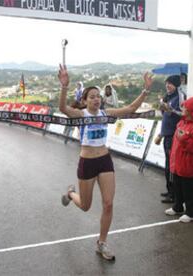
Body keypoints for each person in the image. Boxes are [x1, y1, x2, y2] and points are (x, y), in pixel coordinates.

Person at [58, 64, 153, 261]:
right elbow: (62, 108)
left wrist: (146, 89)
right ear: (84, 101)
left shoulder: (106, 114)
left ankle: (102, 243)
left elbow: (131, 108)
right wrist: (64, 86)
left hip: (104, 161)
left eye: (97, 96)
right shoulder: (81, 115)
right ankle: (70, 193)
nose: (96, 99)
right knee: (85, 206)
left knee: (108, 204)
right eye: (91, 96)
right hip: (87, 162)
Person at [164, 96, 193, 223]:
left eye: (185, 107)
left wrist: (185, 140)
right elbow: (176, 141)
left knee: (189, 189)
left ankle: (191, 212)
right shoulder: (181, 122)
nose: (182, 109)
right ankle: (178, 207)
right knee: (177, 186)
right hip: (178, 162)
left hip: (189, 164)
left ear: (191, 110)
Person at [154, 75, 186, 204]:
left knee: (171, 166)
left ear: (176, 85)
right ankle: (169, 190)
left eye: (170, 83)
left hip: (174, 135)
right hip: (167, 135)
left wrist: (170, 109)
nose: (167, 85)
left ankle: (174, 194)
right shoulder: (168, 97)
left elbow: (183, 115)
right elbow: (166, 116)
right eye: (166, 83)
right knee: (168, 166)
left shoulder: (180, 97)